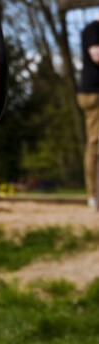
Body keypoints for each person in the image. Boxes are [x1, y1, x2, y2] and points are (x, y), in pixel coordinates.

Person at [76, 17, 99, 208]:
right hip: (93, 93)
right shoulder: (93, 29)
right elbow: (96, 55)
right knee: (95, 143)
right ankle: (93, 195)